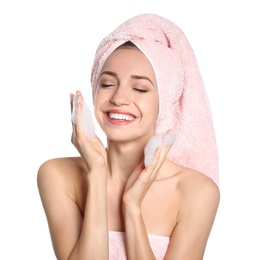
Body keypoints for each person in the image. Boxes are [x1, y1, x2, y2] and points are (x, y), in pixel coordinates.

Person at [37, 13, 220, 260]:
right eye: (107, 83)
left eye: (140, 88)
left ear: (164, 101)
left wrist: (131, 209)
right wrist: (98, 172)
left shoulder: (196, 192)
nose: (118, 98)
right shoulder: (58, 176)